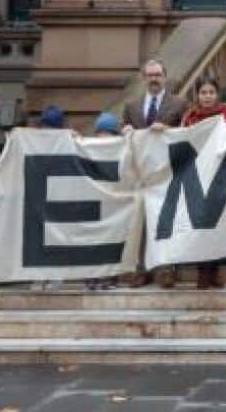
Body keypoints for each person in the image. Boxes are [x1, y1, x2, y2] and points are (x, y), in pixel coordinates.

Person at [121, 58, 186, 288]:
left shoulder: (179, 103)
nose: (154, 79)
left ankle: (165, 269)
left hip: (167, 171)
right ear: (144, 78)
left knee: (165, 221)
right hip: (141, 175)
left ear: (164, 77)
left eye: (158, 75)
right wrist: (126, 130)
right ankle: (141, 269)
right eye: (150, 75)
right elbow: (123, 136)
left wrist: (169, 130)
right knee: (140, 222)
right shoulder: (131, 106)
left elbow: (188, 133)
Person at [180, 75, 226, 290]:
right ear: (197, 95)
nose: (207, 97)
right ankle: (202, 271)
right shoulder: (190, 118)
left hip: (221, 176)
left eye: (211, 92)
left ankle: (216, 270)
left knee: (220, 224)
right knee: (199, 225)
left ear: (217, 94)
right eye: (203, 92)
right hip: (197, 176)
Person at [86, 113, 123, 290]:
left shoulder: (122, 149)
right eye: (100, 133)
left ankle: (110, 277)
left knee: (112, 241)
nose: (103, 137)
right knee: (93, 241)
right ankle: (92, 276)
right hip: (95, 202)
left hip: (115, 203)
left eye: (107, 133)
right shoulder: (89, 149)